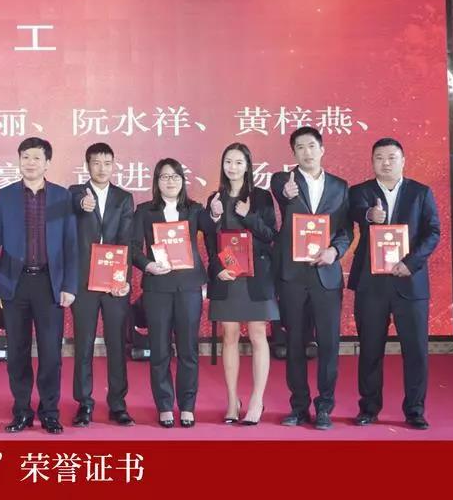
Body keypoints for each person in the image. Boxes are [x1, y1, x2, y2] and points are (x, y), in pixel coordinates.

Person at [0, 137, 77, 435]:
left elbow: (70, 244)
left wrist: (69, 285)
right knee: (17, 352)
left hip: (49, 283)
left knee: (50, 353)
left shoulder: (61, 196)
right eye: (25, 157)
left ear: (47, 163)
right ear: (19, 161)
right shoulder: (5, 196)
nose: (30, 163)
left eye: (36, 158)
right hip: (15, 283)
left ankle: (49, 412)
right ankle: (21, 410)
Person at [348, 137, 440, 430]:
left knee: (416, 350)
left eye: (391, 157)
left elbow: (433, 232)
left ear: (403, 161)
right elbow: (353, 214)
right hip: (371, 284)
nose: (385, 163)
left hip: (410, 283)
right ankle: (369, 408)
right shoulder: (360, 192)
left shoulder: (421, 192)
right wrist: (368, 215)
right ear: (372, 161)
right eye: (379, 158)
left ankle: (415, 410)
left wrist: (411, 263)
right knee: (370, 349)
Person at [269, 127, 353, 430]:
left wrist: (334, 250)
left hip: (326, 276)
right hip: (293, 276)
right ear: (294, 153)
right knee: (295, 342)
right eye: (300, 147)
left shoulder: (340, 187)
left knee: (328, 344)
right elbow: (280, 192)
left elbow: (346, 230)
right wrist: (286, 194)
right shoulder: (284, 181)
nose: (307, 152)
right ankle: (299, 406)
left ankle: (325, 407)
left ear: (322, 149)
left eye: (311, 146)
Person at [201, 143, 279, 426]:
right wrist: (218, 267)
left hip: (256, 277)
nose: (232, 167)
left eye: (238, 162)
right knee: (229, 336)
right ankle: (232, 400)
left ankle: (257, 400)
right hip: (228, 276)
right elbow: (210, 241)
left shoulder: (261, 197)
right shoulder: (215, 198)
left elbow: (270, 235)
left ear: (247, 166)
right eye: (228, 162)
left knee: (258, 334)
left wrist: (248, 215)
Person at [133, 158, 207, 428]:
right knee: (159, 350)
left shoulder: (195, 210)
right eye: (164, 177)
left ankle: (187, 406)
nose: (170, 181)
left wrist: (216, 215)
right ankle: (164, 405)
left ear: (182, 181)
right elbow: (132, 247)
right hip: (158, 288)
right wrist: (147, 265)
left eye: (175, 176)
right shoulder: (144, 211)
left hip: (188, 287)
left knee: (188, 350)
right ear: (156, 181)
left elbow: (214, 232)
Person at [67, 143, 136, 427]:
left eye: (107, 163)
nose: (102, 168)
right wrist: (81, 205)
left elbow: (127, 241)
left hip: (113, 282)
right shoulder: (75, 193)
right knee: (83, 345)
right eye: (96, 163)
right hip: (84, 282)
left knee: (116, 344)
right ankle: (84, 403)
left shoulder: (124, 198)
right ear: (87, 165)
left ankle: (118, 404)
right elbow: (72, 207)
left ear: (113, 165)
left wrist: (124, 281)